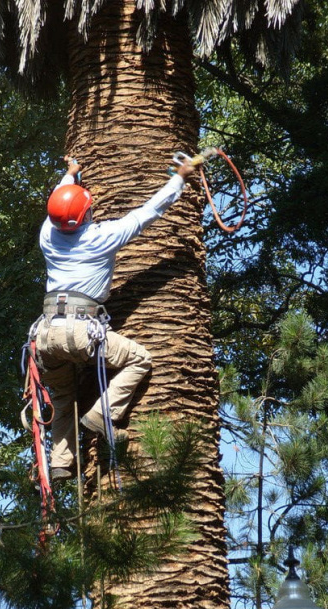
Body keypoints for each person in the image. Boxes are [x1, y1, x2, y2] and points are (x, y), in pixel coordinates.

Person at [35, 154, 196, 480]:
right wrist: (179, 178)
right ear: (87, 214)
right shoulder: (101, 237)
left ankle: (61, 463)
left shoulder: (46, 235)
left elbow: (59, 203)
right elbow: (146, 213)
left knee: (64, 398)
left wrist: (71, 175)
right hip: (79, 331)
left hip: (45, 336)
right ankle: (102, 414)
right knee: (139, 359)